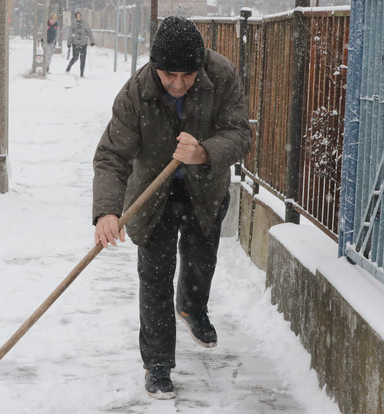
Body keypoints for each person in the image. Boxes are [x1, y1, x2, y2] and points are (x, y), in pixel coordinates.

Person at [91, 16, 251, 399]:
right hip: (153, 193)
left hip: (206, 188)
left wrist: (204, 151)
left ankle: (193, 307)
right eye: (169, 75)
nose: (179, 84)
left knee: (200, 260)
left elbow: (241, 133)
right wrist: (107, 211)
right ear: (154, 67)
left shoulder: (221, 75)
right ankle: (158, 364)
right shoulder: (136, 92)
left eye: (187, 75)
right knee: (155, 277)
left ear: (200, 66)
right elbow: (111, 155)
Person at [65, 11, 94, 78]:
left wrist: (92, 41)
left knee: (83, 59)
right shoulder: (73, 24)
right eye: (77, 16)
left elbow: (89, 32)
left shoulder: (85, 24)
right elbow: (70, 34)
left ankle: (82, 73)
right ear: (75, 17)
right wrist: (69, 43)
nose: (78, 17)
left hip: (83, 43)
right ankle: (69, 66)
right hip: (75, 43)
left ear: (81, 16)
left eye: (79, 16)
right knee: (75, 57)